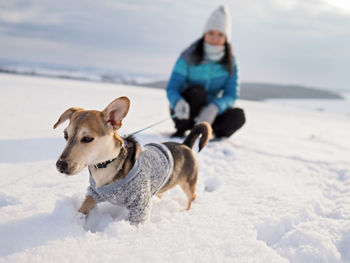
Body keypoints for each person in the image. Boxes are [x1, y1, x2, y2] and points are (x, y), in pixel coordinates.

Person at [166, 5, 246, 138]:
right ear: (204, 34)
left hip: (209, 115)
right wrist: (178, 102)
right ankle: (182, 129)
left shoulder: (231, 62)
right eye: (211, 33)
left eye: (220, 34)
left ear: (226, 38)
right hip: (185, 111)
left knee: (238, 115)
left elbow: (231, 94)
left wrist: (215, 107)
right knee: (198, 91)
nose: (215, 38)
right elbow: (172, 88)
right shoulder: (188, 56)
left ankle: (210, 134)